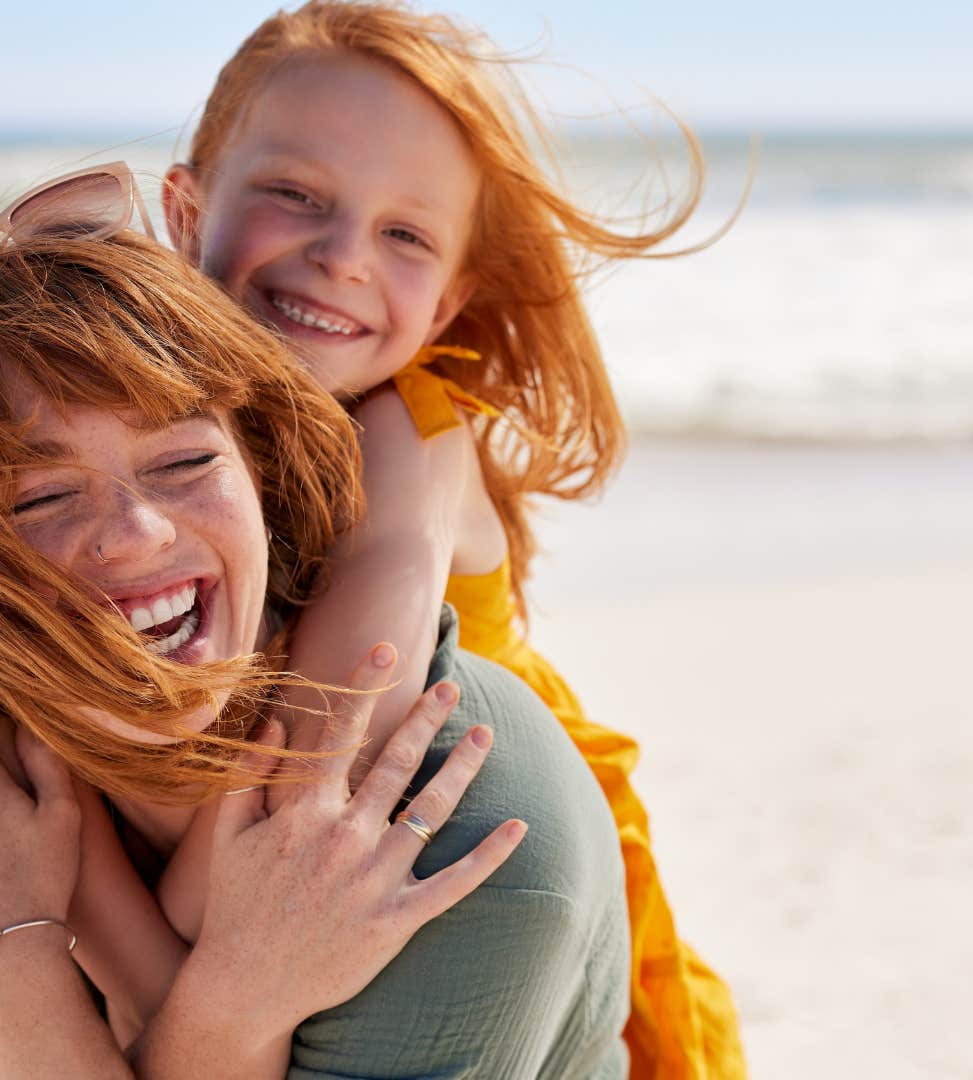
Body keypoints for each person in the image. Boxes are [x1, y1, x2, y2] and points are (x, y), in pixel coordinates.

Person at [0, 215, 629, 1076]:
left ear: (259, 473)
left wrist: (16, 958)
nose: (136, 534)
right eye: (38, 499)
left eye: (183, 461)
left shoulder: (461, 835)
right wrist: (42, 966)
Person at [158, 3, 744, 1075]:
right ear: (183, 206)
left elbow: (336, 730)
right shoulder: (155, 435)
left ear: (449, 303)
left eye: (407, 235)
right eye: (295, 194)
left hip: (490, 869)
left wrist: (139, 935)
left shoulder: (414, 435)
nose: (341, 257)